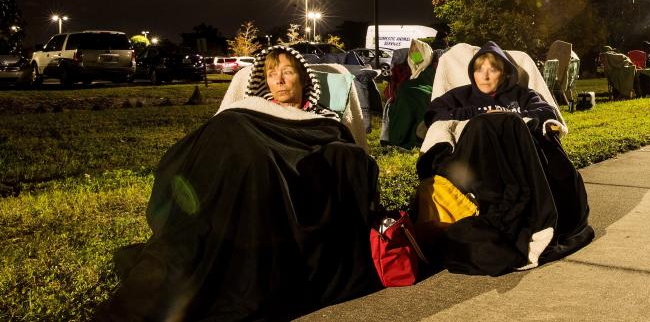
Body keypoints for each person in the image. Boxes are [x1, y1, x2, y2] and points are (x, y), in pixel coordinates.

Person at [99, 45, 381, 322]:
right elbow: (228, 127)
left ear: (304, 78)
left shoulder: (321, 118)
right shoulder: (251, 111)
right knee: (230, 134)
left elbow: (344, 149)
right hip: (239, 163)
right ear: (263, 81)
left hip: (274, 173)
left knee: (256, 159)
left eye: (287, 72)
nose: (279, 81)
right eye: (272, 74)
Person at [417, 41, 593, 276]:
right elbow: (436, 114)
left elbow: (545, 112)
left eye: (493, 69)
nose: (485, 76)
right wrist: (478, 115)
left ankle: (531, 220)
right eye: (479, 69)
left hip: (518, 159)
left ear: (505, 72)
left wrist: (510, 118)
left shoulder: (522, 95)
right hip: (482, 165)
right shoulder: (460, 96)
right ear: (471, 72)